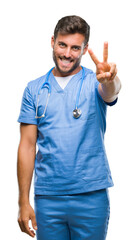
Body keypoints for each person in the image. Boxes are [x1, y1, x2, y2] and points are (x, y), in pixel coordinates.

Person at [17, 15, 121, 240]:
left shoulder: (96, 82)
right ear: (53, 41)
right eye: (62, 45)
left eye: (75, 48)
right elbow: (26, 146)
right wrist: (23, 201)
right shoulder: (34, 89)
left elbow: (111, 92)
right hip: (47, 199)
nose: (66, 54)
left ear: (84, 50)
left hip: (91, 197)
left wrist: (110, 79)